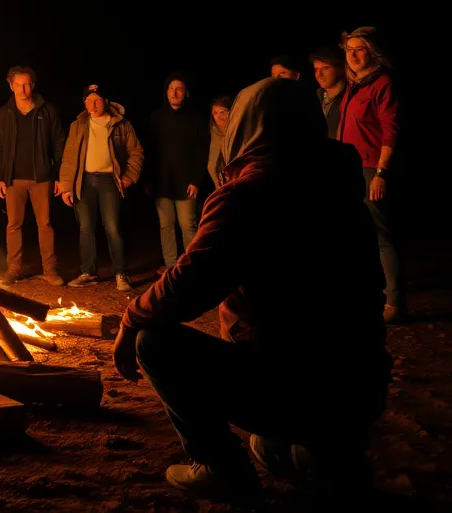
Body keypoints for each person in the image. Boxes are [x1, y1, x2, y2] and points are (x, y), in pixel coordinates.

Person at [113, 78, 389, 501]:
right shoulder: (337, 180)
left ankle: (220, 467)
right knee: (269, 444)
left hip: (296, 382)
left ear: (245, 127)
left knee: (153, 341)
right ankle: (329, 451)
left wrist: (132, 316)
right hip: (361, 384)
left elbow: (190, 283)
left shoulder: (251, 191)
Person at [337, 27, 402, 321]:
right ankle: (366, 294)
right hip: (348, 166)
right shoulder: (353, 85)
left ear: (372, 52)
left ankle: (395, 302)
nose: (351, 55)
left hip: (369, 167)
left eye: (358, 49)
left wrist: (381, 173)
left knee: (381, 234)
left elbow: (391, 129)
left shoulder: (381, 83)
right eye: (348, 49)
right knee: (356, 235)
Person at [59, 84, 144, 291]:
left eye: (97, 99)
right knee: (85, 227)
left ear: (106, 101)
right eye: (88, 100)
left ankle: (121, 273)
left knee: (112, 227)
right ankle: (88, 272)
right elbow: (69, 158)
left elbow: (136, 152)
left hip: (109, 181)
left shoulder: (120, 124)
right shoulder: (78, 124)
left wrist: (129, 177)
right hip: (84, 181)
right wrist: (66, 187)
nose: (93, 104)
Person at [0, 66, 66, 285]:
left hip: (41, 178)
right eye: (18, 85)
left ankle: (50, 270)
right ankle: (13, 268)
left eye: (27, 84)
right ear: (11, 86)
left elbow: (59, 142)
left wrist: (58, 175)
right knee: (13, 225)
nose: (23, 89)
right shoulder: (4, 113)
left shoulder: (47, 111)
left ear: (33, 84)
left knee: (45, 224)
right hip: (13, 179)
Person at [147, 73, 207, 270]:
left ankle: (191, 268)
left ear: (186, 93)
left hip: (186, 183)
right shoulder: (156, 118)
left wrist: (196, 180)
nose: (175, 92)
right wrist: (149, 181)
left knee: (188, 226)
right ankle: (171, 267)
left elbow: (202, 151)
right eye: (171, 88)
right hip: (162, 182)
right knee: (166, 226)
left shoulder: (196, 118)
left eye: (179, 88)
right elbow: (149, 151)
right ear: (166, 92)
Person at [310, 47, 345, 139]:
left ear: (340, 69)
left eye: (325, 68)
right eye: (316, 69)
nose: (319, 74)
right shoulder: (318, 96)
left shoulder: (348, 97)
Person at [206, 95, 231, 187]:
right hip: (224, 180)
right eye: (215, 113)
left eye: (223, 112)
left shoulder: (239, 129)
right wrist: (218, 187)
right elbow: (211, 165)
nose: (219, 117)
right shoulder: (215, 130)